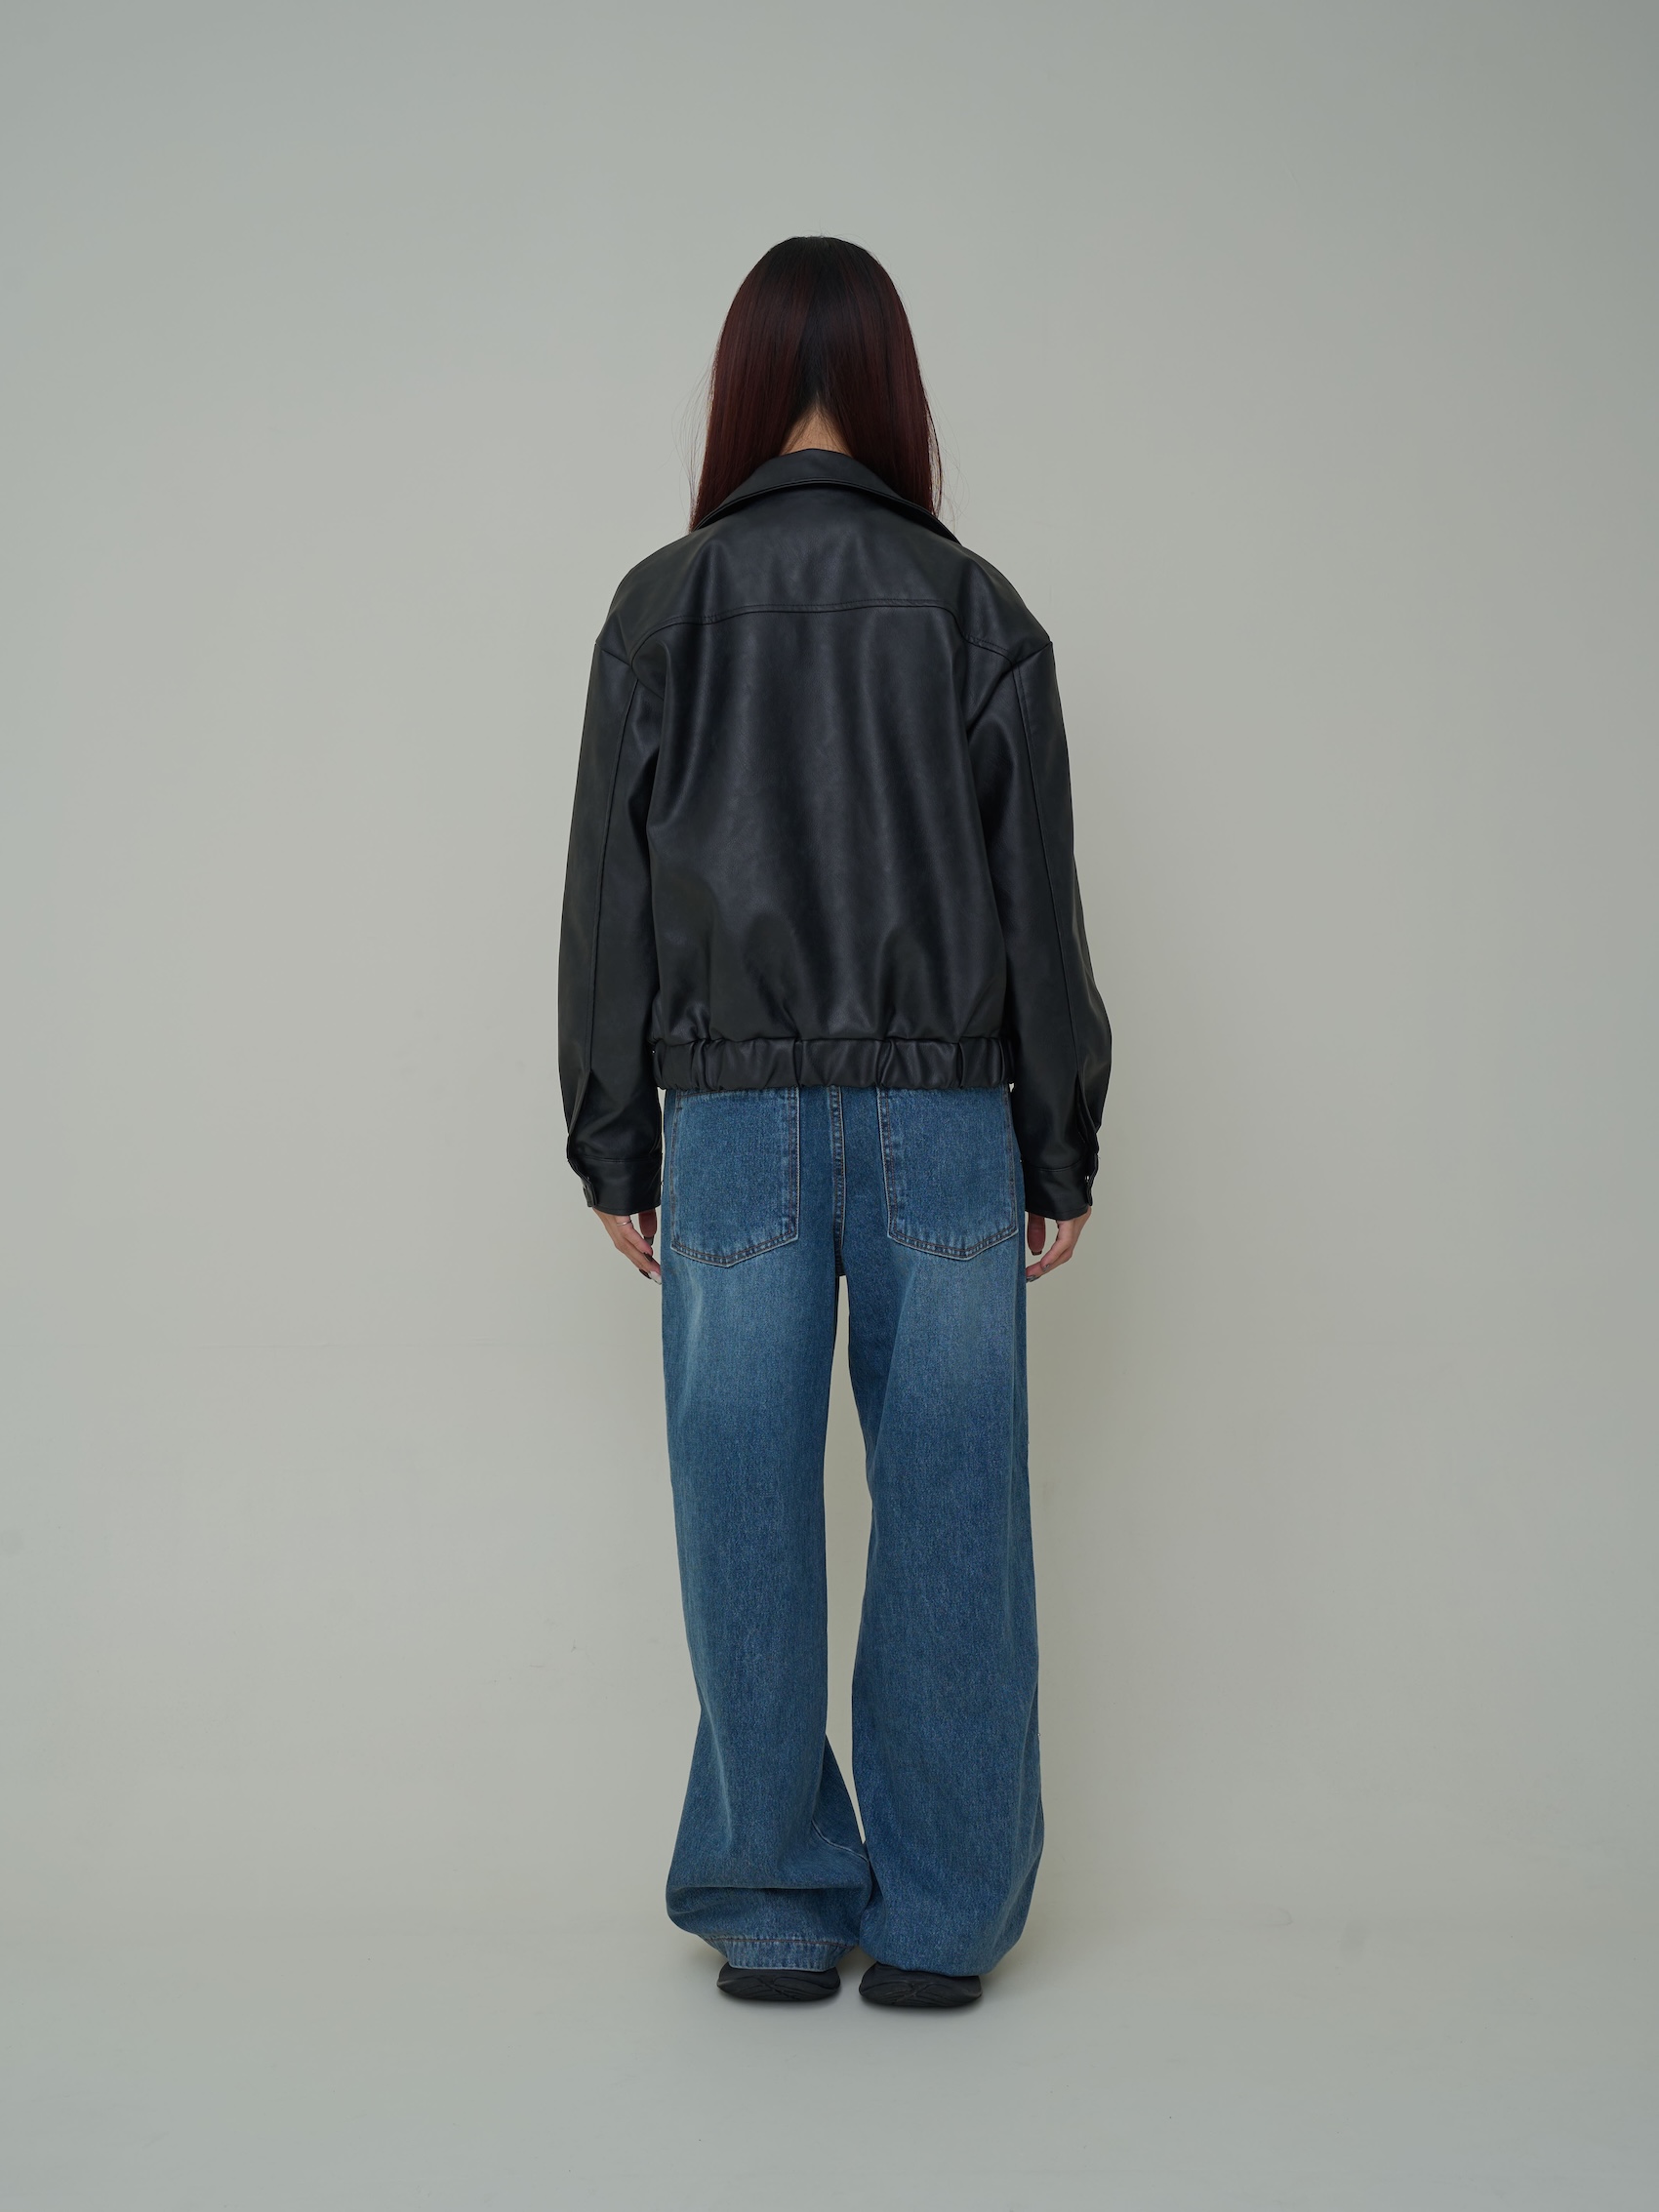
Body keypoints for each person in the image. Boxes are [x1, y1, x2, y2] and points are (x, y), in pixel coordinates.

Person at [558, 237, 1110, 2009]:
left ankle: (773, 1904)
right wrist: (1059, 1135)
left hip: (729, 1126)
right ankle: (939, 1923)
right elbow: (1038, 902)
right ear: (892, 388)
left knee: (740, 1504)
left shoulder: (661, 607)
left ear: (742, 386)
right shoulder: (975, 609)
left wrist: (614, 1138)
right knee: (956, 1511)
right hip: (947, 1118)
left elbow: (608, 905)